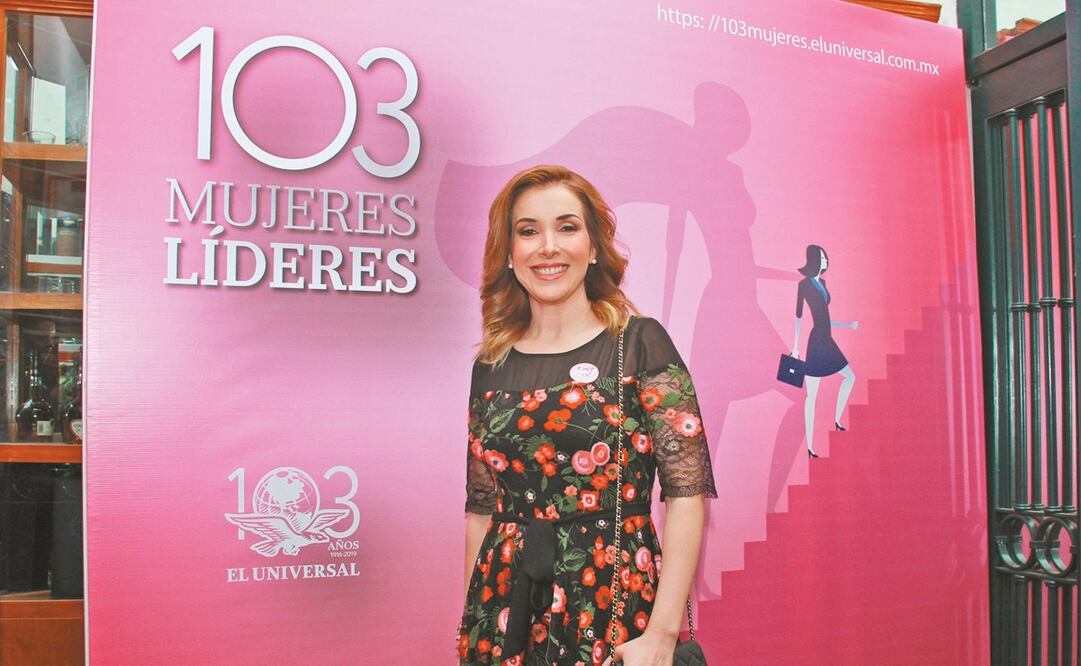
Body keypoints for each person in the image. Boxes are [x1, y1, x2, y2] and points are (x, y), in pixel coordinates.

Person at [457, 165, 717, 666]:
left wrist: (662, 635)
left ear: (593, 247)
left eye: (567, 227)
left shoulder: (640, 344)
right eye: (528, 231)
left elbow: (686, 494)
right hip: (503, 610)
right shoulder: (490, 366)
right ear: (509, 254)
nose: (547, 246)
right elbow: (483, 508)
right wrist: (472, 624)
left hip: (612, 601)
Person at [790, 245, 858, 458]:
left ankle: (837, 420)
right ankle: (810, 447)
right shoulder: (804, 285)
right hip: (816, 342)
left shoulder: (824, 284)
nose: (825, 260)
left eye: (825, 256)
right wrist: (795, 347)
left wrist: (847, 326)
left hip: (827, 339)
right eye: (821, 257)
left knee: (850, 377)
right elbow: (799, 317)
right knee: (812, 396)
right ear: (813, 260)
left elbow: (825, 318)